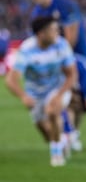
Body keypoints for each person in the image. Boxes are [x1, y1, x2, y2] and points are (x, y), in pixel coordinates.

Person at [29, 0, 86, 151]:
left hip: (77, 57)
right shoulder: (36, 13)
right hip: (54, 60)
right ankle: (67, 134)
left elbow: (71, 39)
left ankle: (72, 132)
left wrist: (60, 60)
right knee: (59, 96)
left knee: (76, 100)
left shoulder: (66, 6)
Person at [5, 15, 77, 166]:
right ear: (41, 34)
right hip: (34, 93)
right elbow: (11, 80)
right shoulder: (27, 50)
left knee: (52, 111)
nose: (58, 32)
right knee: (46, 133)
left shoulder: (61, 45)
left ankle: (56, 154)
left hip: (57, 87)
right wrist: (23, 96)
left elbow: (72, 74)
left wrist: (59, 94)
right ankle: (63, 138)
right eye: (53, 30)